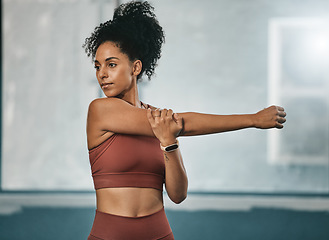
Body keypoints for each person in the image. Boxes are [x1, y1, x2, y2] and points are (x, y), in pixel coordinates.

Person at [83, 1, 286, 239]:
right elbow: (183, 123)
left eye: (112, 64)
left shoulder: (160, 123)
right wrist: (252, 119)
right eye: (97, 66)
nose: (102, 74)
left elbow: (178, 195)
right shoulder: (101, 110)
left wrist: (170, 142)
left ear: (135, 67)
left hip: (159, 233)